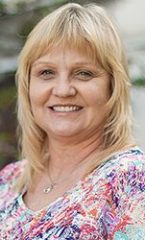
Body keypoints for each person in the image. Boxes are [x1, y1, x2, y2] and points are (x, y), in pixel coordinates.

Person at [0, 2, 145, 239]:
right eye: (46, 72)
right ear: (28, 86)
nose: (63, 90)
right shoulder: (9, 180)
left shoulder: (131, 180)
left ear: (112, 86)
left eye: (83, 73)